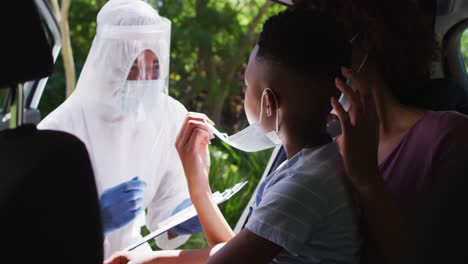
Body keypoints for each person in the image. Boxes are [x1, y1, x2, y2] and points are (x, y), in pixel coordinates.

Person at [105, 8, 361, 264]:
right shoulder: (314, 164)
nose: (243, 91)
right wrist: (152, 259)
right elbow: (235, 250)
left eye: (247, 85)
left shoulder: (303, 185)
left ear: (268, 103)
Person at [292, 0, 468, 263]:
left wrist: (367, 180)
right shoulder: (323, 152)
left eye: (321, 47)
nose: (311, 66)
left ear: (366, 43)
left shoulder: (450, 137)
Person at [38, 0, 200, 258]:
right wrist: (93, 220)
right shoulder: (58, 131)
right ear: (109, 63)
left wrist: (185, 215)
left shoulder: (169, 116)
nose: (145, 80)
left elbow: (166, 218)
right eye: (133, 67)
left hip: (134, 258)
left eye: (154, 67)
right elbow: (36, 233)